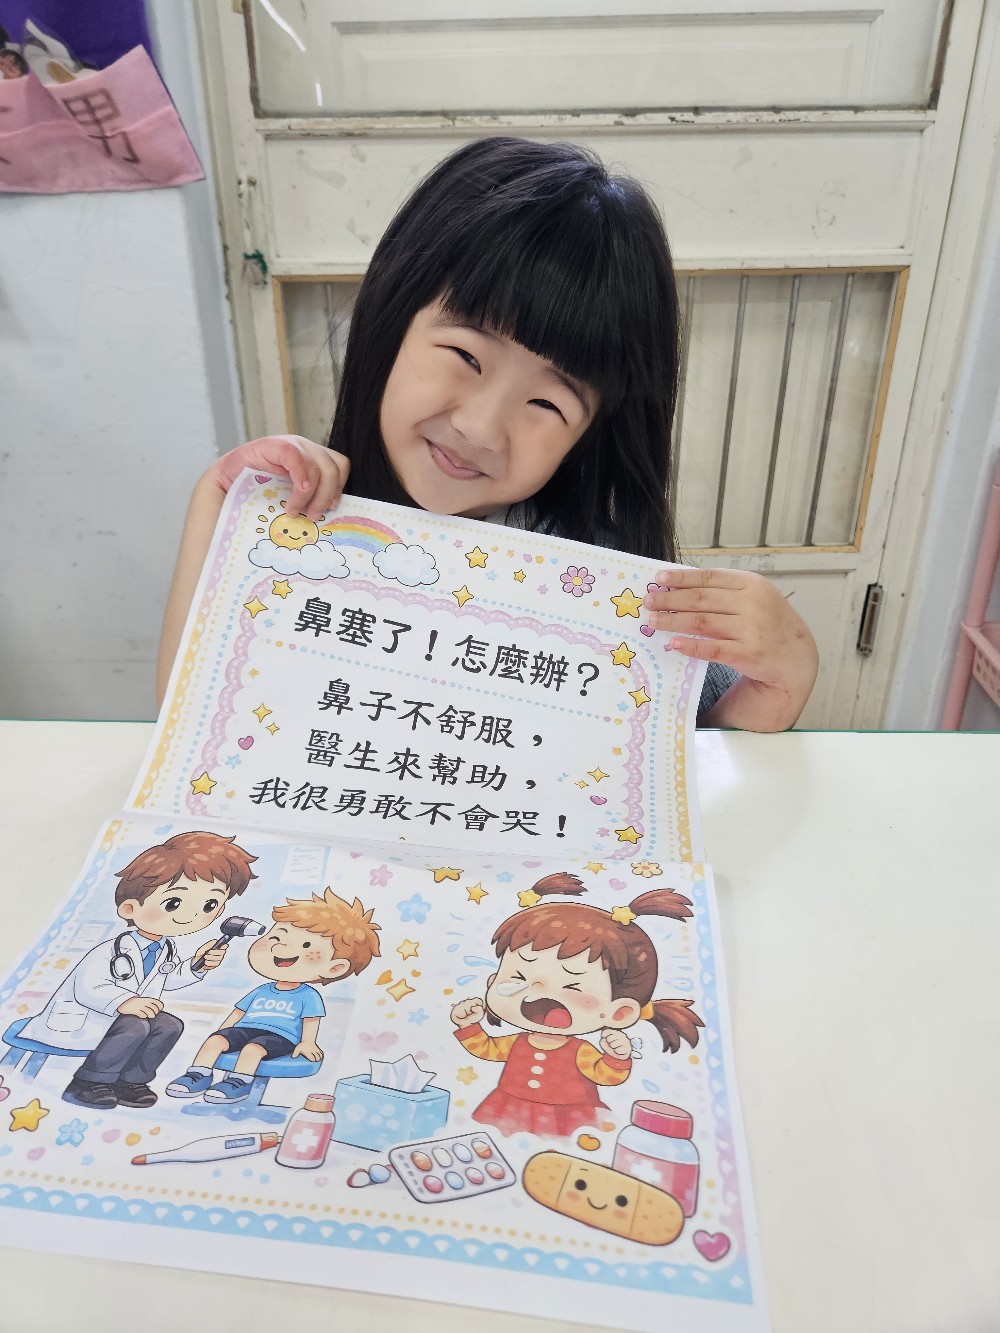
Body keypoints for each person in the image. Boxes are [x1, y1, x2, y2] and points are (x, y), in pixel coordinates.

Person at [159, 137, 818, 730]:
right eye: (466, 356)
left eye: (547, 403)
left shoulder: (600, 577)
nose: (480, 427)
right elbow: (189, 729)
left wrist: (779, 682)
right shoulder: (298, 529)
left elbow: (680, 756)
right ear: (391, 319)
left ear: (590, 434)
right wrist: (221, 502)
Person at [450, 872, 702, 1138]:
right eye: (519, 978)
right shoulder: (516, 1043)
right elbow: (487, 1049)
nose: (537, 992)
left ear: (619, 1012)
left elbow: (603, 1075)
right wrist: (468, 1025)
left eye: (572, 987)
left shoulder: (580, 1051)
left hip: (566, 1119)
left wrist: (616, 1057)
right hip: (508, 1110)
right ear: (493, 982)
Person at [21, 831, 258, 1109]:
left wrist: (198, 964)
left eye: (210, 904)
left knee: (169, 1025)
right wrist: (125, 1001)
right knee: (135, 1025)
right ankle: (87, 1082)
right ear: (129, 908)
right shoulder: (109, 950)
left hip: (121, 1017)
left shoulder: (165, 948)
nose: (193, 915)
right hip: (84, 1017)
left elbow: (167, 978)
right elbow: (89, 988)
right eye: (174, 903)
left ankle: (130, 1081)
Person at [166, 887, 380, 1103]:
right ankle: (198, 1075)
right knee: (215, 1041)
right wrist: (222, 1031)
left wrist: (307, 1042)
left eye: (306, 945)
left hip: (280, 1037)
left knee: (252, 1050)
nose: (282, 946)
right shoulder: (261, 990)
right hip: (245, 1029)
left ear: (334, 968)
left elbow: (311, 1020)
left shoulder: (308, 995)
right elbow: (238, 1013)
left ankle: (239, 1082)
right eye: (276, 936)